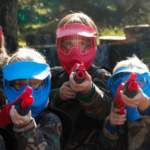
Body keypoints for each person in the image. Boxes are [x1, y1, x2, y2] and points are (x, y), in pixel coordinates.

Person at [49, 12, 112, 150]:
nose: (75, 51)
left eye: (83, 43)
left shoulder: (101, 76)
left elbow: (105, 109)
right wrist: (58, 95)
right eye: (69, 43)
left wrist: (89, 91)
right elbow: (33, 103)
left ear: (93, 44)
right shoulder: (52, 76)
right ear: (59, 44)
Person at [2, 47, 73, 150]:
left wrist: (26, 128)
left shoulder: (50, 119)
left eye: (34, 84)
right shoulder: (4, 116)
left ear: (45, 84)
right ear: (8, 84)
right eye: (19, 84)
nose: (27, 90)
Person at [100, 55, 150, 150]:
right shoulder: (111, 114)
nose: (128, 90)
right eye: (120, 85)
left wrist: (145, 105)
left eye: (138, 84)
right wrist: (111, 126)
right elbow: (103, 146)